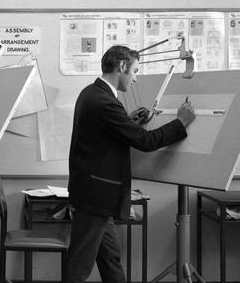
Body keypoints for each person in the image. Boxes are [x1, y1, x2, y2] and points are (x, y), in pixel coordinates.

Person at [66, 45, 196, 283]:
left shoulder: (91, 93)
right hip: (96, 197)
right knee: (79, 265)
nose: (135, 78)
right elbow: (145, 142)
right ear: (122, 66)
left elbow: (103, 134)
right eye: (135, 71)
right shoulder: (105, 102)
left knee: (110, 260)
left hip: (93, 194)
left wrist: (127, 120)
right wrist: (180, 123)